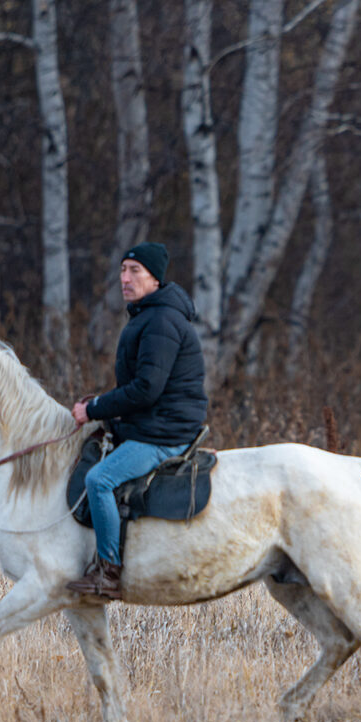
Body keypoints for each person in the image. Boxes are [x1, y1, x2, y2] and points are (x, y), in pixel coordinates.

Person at [67, 241, 209, 600]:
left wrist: (96, 407)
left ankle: (108, 573)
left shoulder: (161, 320)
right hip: (155, 422)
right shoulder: (150, 314)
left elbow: (146, 389)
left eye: (135, 271)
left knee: (99, 480)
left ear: (155, 279)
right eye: (122, 270)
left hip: (165, 432)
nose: (125, 278)